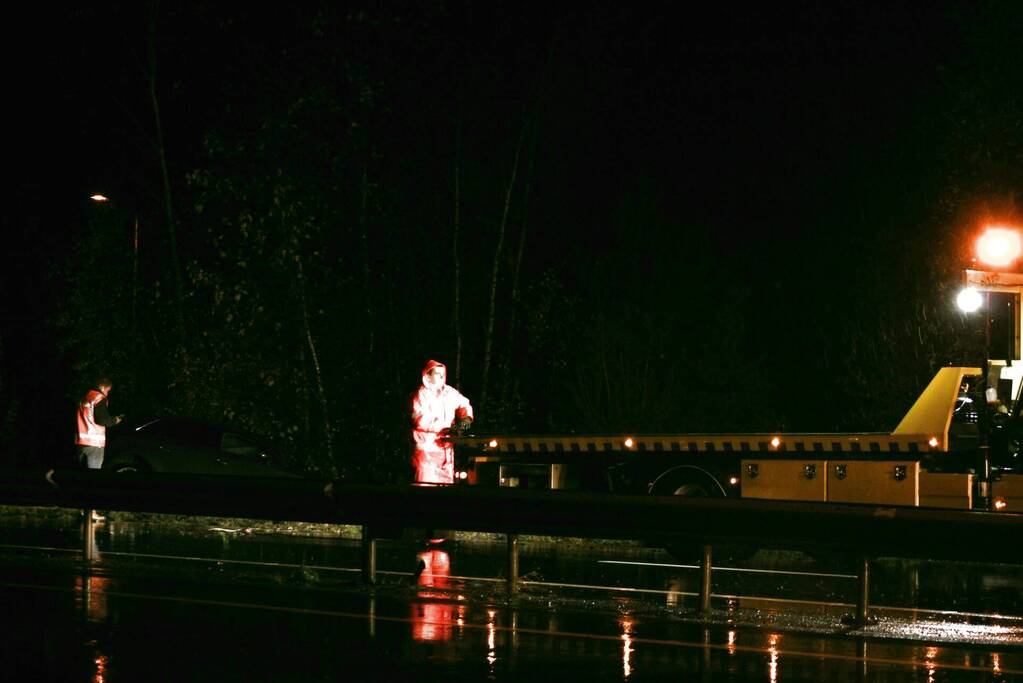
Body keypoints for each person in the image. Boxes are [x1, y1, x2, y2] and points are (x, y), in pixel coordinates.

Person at [410, 359, 473, 486]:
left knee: (446, 493)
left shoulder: (450, 392)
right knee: (425, 489)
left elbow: (464, 404)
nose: (441, 376)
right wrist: (447, 427)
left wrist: (466, 419)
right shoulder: (421, 395)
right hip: (427, 453)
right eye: (437, 373)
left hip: (446, 453)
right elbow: (420, 419)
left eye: (443, 373)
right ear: (427, 376)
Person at [75, 377, 123, 470]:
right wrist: (115, 420)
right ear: (102, 387)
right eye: (108, 390)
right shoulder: (99, 398)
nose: (107, 393)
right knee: (94, 475)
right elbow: (102, 420)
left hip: (80, 442)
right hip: (94, 443)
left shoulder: (85, 397)